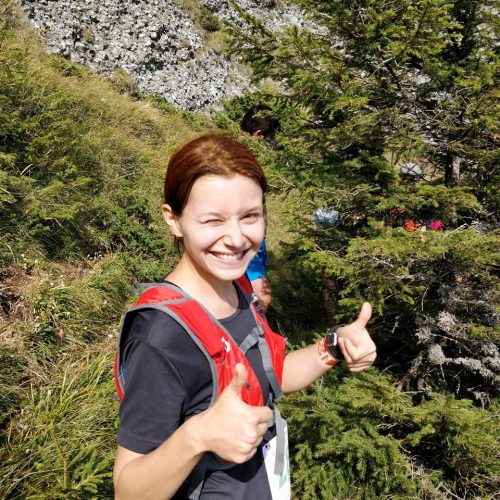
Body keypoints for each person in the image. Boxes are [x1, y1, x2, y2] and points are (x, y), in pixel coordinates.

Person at [113, 134, 377, 500]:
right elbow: (128, 490)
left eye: (250, 216)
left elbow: (269, 375)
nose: (236, 239)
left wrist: (334, 346)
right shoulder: (161, 335)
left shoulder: (237, 288)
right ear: (173, 220)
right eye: (213, 220)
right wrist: (198, 436)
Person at [240, 105, 281, 312]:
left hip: (251, 235)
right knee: (262, 297)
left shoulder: (235, 158)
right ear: (258, 135)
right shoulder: (244, 165)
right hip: (248, 238)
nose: (272, 144)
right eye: (271, 138)